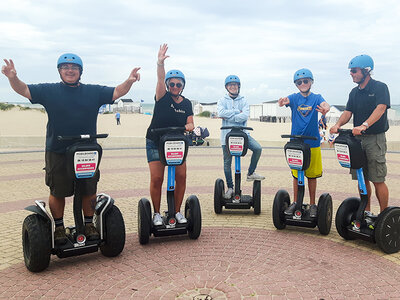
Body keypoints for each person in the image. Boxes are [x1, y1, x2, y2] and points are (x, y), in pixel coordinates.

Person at [2, 54, 140, 244]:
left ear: (80, 71)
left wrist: (130, 81)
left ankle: (89, 224)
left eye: (74, 67)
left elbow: (117, 92)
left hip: (87, 151)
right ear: (60, 70)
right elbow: (24, 90)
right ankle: (59, 227)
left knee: (89, 189)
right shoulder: (49, 90)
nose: (70, 70)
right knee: (58, 190)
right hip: (58, 150)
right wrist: (12, 78)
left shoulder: (93, 91)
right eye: (65, 67)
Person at [330, 54, 390, 214]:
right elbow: (348, 112)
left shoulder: (380, 87)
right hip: (357, 140)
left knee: (377, 179)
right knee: (361, 177)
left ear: (366, 71)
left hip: (374, 139)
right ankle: (366, 212)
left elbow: (381, 108)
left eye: (354, 71)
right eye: (351, 71)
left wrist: (364, 125)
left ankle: (384, 216)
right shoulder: (354, 92)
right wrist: (337, 125)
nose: (352, 74)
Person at [145, 44, 194, 226]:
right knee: (157, 178)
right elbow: (159, 78)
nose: (175, 86)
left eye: (178, 84)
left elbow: (190, 123)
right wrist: (160, 63)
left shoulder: (187, 103)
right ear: (167, 85)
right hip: (156, 142)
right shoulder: (162, 96)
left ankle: (177, 211)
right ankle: (157, 213)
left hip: (176, 144)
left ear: (182, 86)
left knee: (181, 176)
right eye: (171, 83)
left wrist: (188, 127)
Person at [278, 68, 330, 217]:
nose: (303, 84)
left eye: (305, 81)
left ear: (311, 82)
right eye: (299, 82)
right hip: (295, 143)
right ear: (296, 85)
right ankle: (295, 202)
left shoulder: (316, 98)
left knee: (311, 176)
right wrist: (282, 102)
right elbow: (285, 101)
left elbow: (325, 104)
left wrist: (326, 108)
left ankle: (313, 204)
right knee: (296, 175)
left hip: (312, 143)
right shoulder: (294, 98)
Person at [217, 75, 265, 199]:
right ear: (227, 87)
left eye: (235, 84)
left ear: (239, 86)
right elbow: (220, 113)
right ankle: (230, 188)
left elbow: (245, 116)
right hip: (226, 137)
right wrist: (237, 112)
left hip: (243, 135)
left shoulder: (244, 100)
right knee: (227, 163)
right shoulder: (222, 100)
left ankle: (250, 172)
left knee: (258, 148)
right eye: (230, 85)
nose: (233, 86)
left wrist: (230, 116)